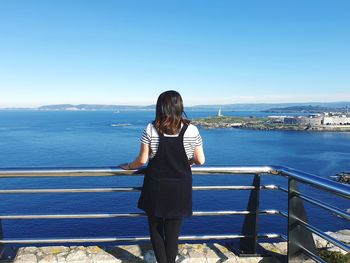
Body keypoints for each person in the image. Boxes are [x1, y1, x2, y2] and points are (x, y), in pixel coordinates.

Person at [120, 90, 205, 263]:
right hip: (180, 188)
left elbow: (142, 160)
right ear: (180, 106)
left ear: (160, 107)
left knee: (156, 230)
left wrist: (128, 166)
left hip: (156, 187)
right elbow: (200, 160)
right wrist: (186, 161)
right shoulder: (193, 130)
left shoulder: (151, 128)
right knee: (173, 234)